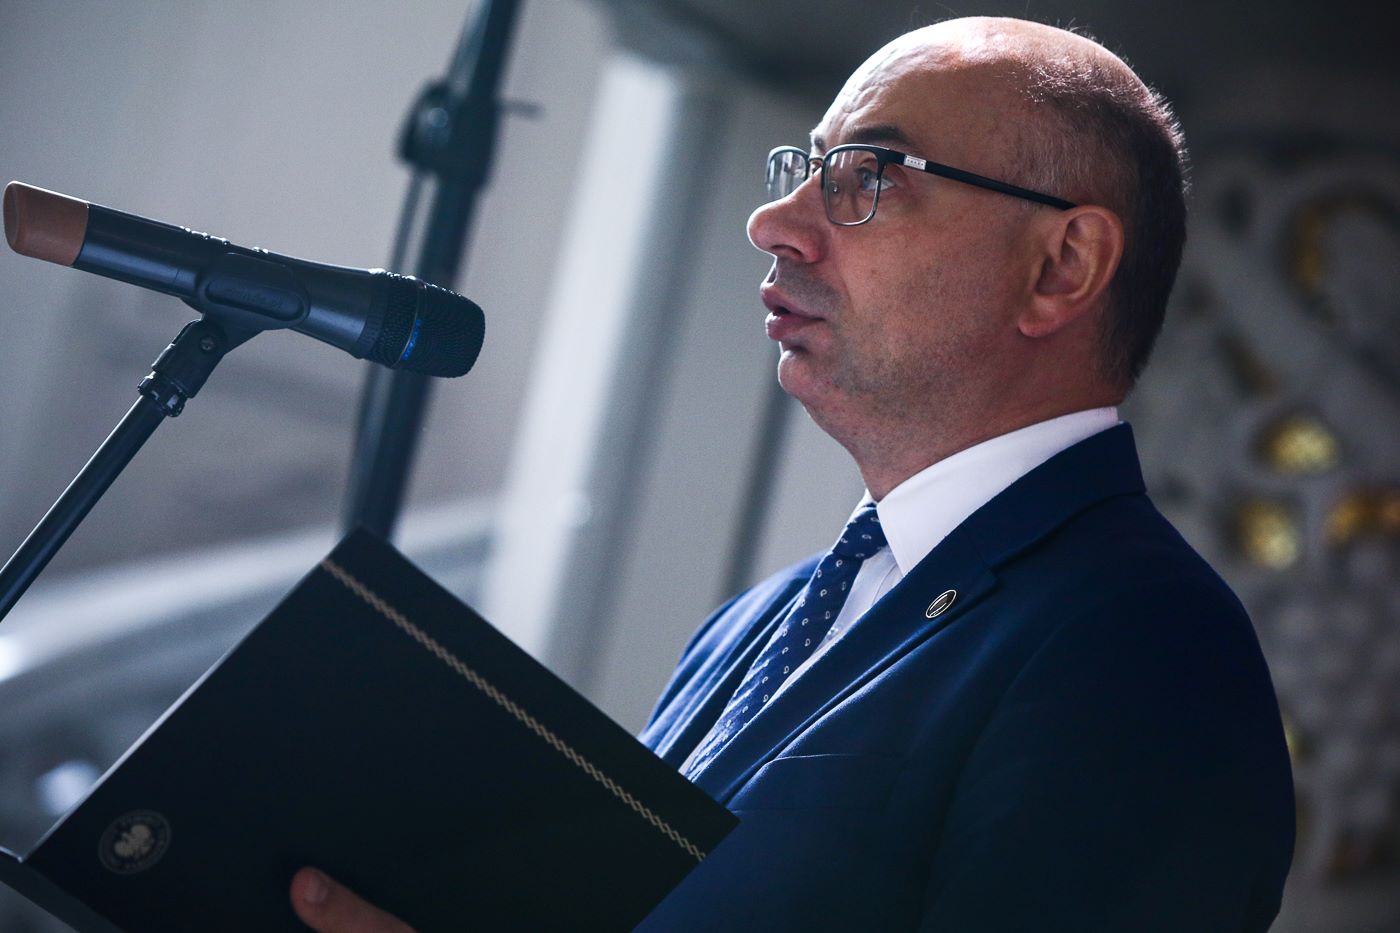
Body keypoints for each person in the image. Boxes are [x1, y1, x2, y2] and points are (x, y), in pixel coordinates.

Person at [289, 16, 1295, 932]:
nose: (772, 221)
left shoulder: (1144, 645)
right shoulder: (754, 621)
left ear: (1061, 265)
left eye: (869, 174)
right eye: (805, 167)